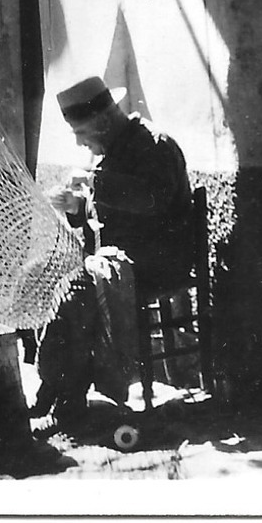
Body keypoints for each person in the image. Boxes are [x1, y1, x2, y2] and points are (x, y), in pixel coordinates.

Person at [33, 76, 191, 421]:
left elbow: (152, 200)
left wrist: (95, 184)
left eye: (82, 134)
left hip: (158, 261)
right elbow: (103, 221)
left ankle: (65, 397)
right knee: (42, 274)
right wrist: (77, 209)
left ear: (104, 123)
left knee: (76, 291)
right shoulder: (112, 151)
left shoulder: (155, 146)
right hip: (122, 259)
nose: (79, 143)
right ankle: (55, 386)